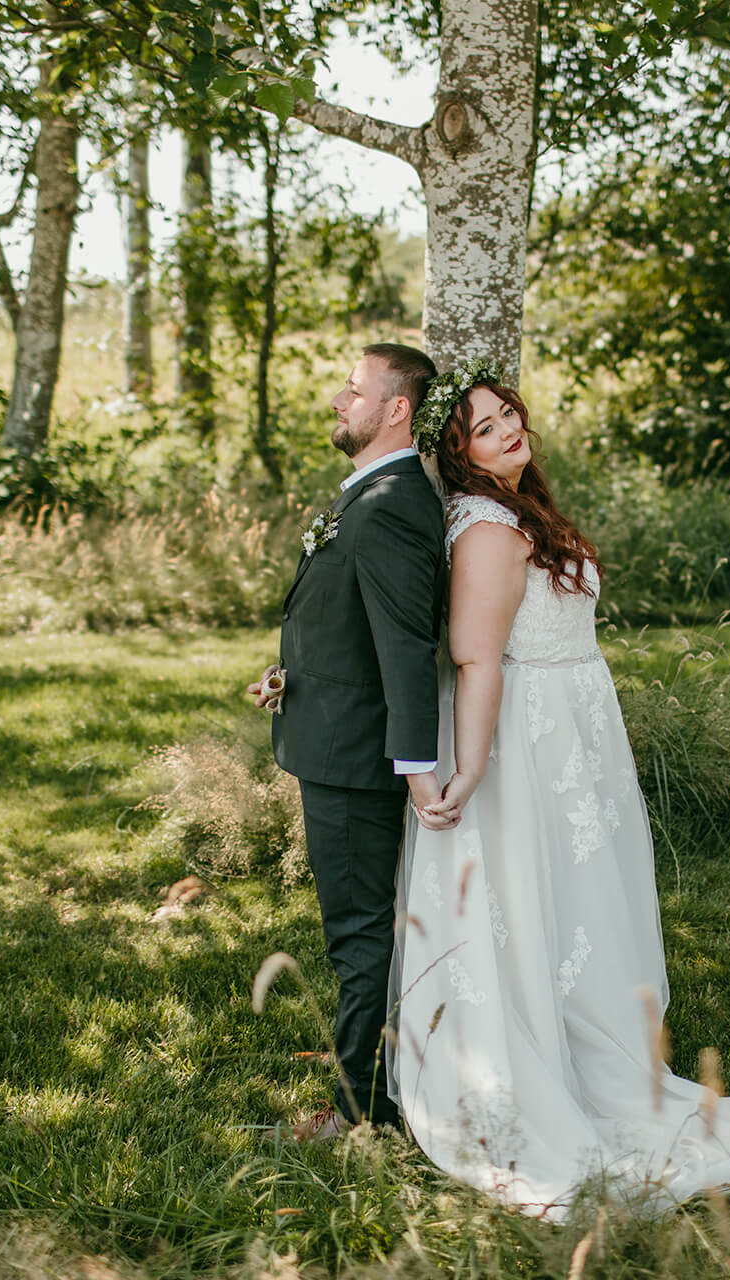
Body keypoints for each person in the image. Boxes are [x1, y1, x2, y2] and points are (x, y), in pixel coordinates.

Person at [387, 359, 730, 1218]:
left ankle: (592, 1050)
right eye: (484, 429)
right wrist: (479, 765)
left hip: (573, 736)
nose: (508, 432)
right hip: (524, 743)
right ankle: (536, 1078)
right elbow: (476, 656)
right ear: (459, 457)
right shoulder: (488, 528)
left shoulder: (521, 509)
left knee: (580, 905)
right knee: (535, 903)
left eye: (508, 416)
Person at [247, 342, 453, 1141]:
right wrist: (295, 670)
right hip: (331, 734)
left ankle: (361, 1115)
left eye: (354, 389)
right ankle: (375, 1093)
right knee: (360, 928)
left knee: (358, 934)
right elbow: (355, 625)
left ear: (395, 409)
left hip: (359, 760)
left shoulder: (395, 503)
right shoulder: (372, 494)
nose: (338, 399)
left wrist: (415, 769)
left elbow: (406, 647)